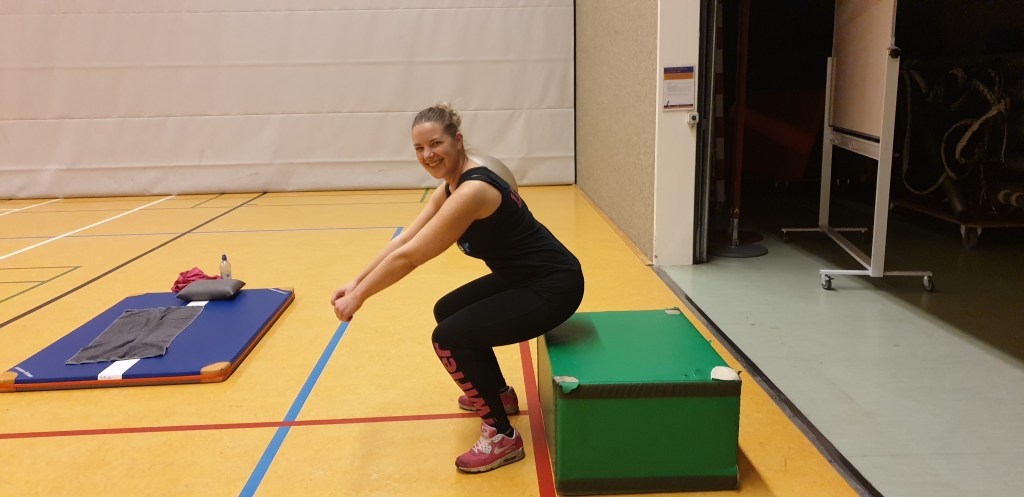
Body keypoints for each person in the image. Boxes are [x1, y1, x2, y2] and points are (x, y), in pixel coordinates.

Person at [330, 103, 584, 473]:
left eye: (436, 144)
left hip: (554, 286)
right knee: (447, 311)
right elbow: (404, 240)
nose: (428, 155)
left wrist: (360, 297)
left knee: (448, 338)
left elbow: (412, 257)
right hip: (524, 277)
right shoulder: (450, 187)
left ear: (458, 140)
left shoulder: (472, 191)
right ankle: (499, 395)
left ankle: (502, 438)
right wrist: (355, 281)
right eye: (419, 148)